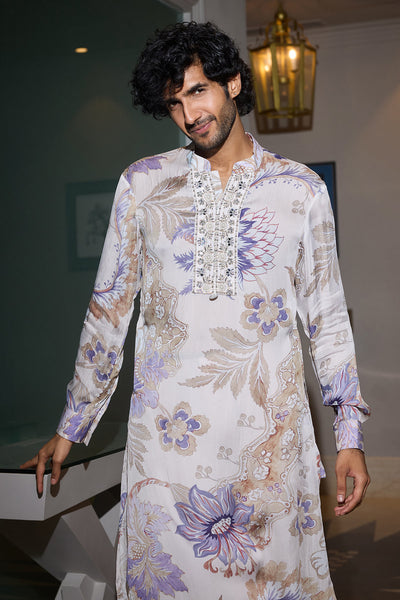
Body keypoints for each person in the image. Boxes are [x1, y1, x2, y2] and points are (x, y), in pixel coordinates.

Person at [22, 21, 370, 600]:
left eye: (198, 91)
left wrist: (349, 434)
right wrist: (72, 425)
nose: (189, 115)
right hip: (169, 453)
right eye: (174, 104)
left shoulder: (301, 191)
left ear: (232, 83)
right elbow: (108, 309)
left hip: (270, 448)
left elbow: (328, 319)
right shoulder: (142, 186)